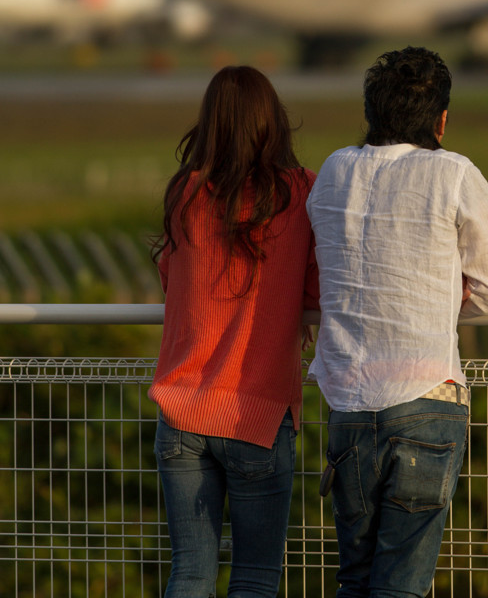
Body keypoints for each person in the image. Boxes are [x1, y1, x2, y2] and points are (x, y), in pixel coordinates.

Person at [306, 46, 488, 598]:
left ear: (371, 113)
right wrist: (439, 301)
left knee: (357, 580)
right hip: (427, 397)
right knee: (403, 584)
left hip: (347, 399)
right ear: (441, 120)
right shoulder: (454, 173)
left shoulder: (331, 171)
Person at [148, 65, 319, 598]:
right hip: (258, 414)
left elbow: (171, 273)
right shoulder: (300, 191)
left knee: (191, 573)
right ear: (274, 123)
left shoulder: (187, 191)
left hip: (181, 410)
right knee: (255, 578)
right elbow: (315, 287)